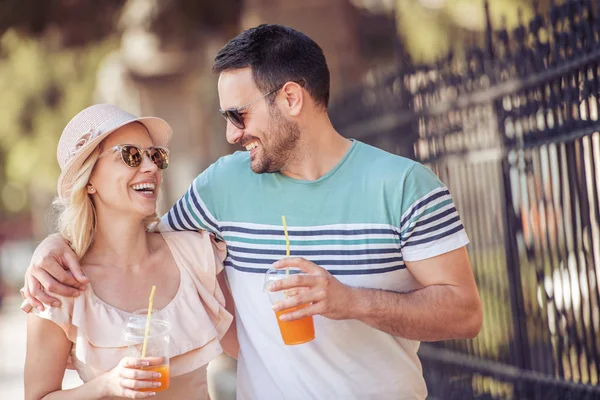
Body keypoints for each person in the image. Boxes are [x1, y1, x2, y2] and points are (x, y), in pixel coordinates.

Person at [22, 25, 482, 399]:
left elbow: (464, 314)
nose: (231, 135)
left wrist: (350, 301)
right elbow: (134, 237)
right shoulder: (223, 185)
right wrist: (56, 245)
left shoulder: (406, 186)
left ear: (290, 99)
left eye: (238, 115)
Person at [21, 104, 237, 400]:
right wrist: (106, 385)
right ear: (90, 180)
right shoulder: (57, 285)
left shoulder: (195, 254)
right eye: (130, 155)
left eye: (155, 155)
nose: (150, 167)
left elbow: (251, 345)